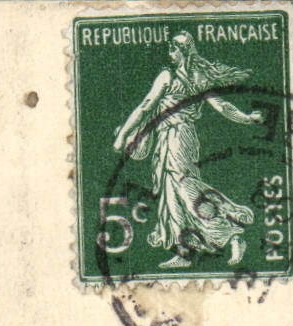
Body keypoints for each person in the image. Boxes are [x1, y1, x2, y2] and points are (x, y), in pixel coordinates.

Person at [112, 32, 264, 269]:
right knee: (170, 193)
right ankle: (183, 252)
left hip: (178, 137)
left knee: (185, 189)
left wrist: (123, 134)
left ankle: (231, 233)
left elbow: (145, 107)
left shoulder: (169, 76)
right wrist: (247, 117)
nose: (170, 54)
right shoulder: (197, 77)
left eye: (173, 49)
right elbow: (223, 106)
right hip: (170, 138)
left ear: (183, 51)